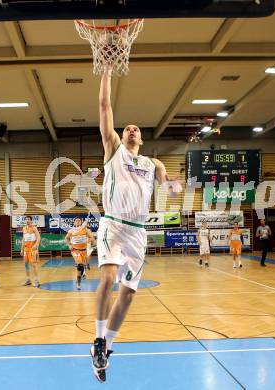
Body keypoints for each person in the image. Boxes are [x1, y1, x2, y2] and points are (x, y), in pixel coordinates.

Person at [91, 66, 182, 382]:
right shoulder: (113, 150)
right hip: (112, 225)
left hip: (138, 233)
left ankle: (107, 349)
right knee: (108, 278)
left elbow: (168, 181)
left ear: (141, 138)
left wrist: (172, 184)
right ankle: (98, 337)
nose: (130, 129)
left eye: (135, 128)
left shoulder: (152, 162)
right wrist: (106, 73)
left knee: (128, 294)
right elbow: (104, 108)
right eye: (126, 127)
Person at [65, 218, 95, 289]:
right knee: (79, 265)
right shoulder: (71, 230)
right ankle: (78, 284)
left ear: (81, 222)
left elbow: (91, 237)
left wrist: (88, 240)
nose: (78, 222)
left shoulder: (85, 230)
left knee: (81, 266)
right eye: (76, 221)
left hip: (83, 250)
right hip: (75, 250)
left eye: (79, 221)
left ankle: (79, 278)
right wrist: (69, 245)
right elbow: (66, 238)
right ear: (74, 222)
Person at [20, 216, 41, 287]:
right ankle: (28, 280)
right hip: (26, 249)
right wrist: (21, 249)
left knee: (33, 265)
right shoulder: (24, 228)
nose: (27, 221)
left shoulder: (34, 228)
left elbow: (38, 237)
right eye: (26, 220)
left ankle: (37, 281)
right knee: (26, 264)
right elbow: (23, 239)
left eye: (28, 219)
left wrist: (36, 244)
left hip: (32, 249)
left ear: (31, 221)